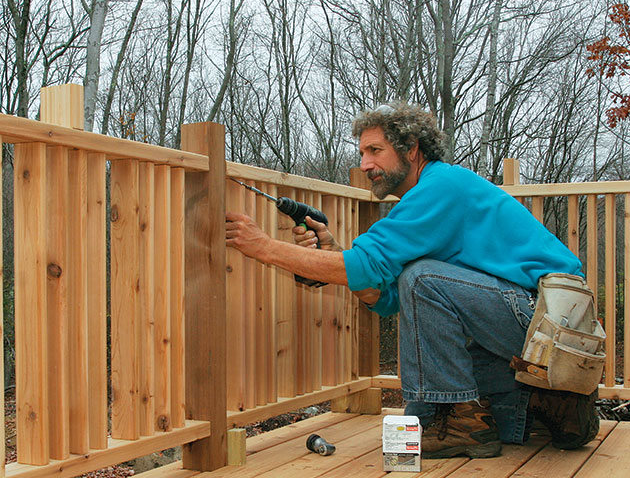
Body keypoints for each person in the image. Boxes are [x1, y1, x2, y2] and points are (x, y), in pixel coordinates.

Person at [225, 102, 599, 459]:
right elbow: (385, 297)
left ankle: (466, 425)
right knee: (423, 410)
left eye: (375, 150)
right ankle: (548, 408)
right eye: (361, 154)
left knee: (421, 284)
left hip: (551, 322)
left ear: (412, 149)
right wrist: (333, 253)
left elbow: (373, 270)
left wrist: (262, 247)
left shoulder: (441, 188)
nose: (365, 163)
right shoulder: (429, 196)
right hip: (536, 328)